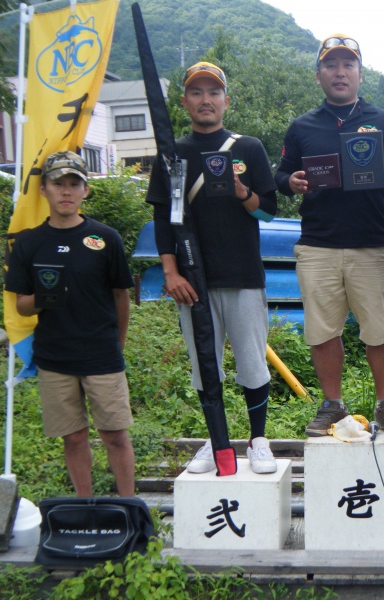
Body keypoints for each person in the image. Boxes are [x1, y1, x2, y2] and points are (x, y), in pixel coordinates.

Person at [275, 34, 384, 437]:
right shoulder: (302, 125)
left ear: (359, 72)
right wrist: (293, 182)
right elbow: (281, 175)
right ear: (319, 74)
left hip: (373, 243)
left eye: (348, 64)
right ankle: (332, 405)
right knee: (322, 331)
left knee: (379, 330)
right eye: (331, 65)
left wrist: (381, 175)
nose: (340, 72)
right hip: (318, 244)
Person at [146, 62, 278, 476]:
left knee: (252, 362)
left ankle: (258, 439)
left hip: (242, 276)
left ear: (226, 100)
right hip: (192, 280)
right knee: (205, 366)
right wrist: (171, 273)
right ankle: (215, 437)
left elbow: (270, 214)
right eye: (197, 92)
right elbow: (162, 222)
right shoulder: (171, 155)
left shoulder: (249, 148)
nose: (206, 99)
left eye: (213, 92)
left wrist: (244, 194)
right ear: (184, 101)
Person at [4, 151, 136, 497]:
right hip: (54, 357)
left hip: (101, 354)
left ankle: (130, 508)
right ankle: (85, 506)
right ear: (43, 190)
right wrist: (45, 297)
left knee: (115, 435)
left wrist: (117, 344)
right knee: (74, 437)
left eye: (73, 184)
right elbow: (21, 305)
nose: (66, 191)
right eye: (57, 183)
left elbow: (121, 295)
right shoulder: (28, 243)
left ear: (85, 191)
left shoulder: (106, 238)